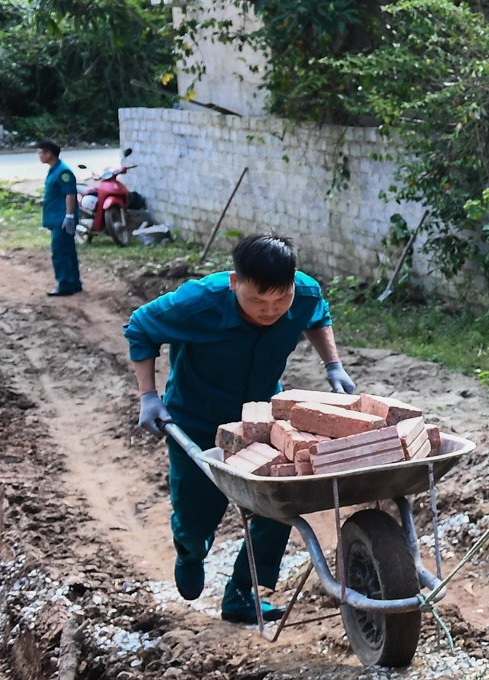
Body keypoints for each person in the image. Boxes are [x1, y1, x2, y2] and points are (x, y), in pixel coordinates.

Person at [124, 234, 358, 624]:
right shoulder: (196, 301)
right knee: (196, 509)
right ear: (234, 283)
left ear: (293, 283)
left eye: (280, 300)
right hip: (197, 416)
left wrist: (333, 365)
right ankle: (190, 551)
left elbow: (318, 316)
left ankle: (241, 594)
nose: (270, 310)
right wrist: (148, 395)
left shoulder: (305, 293)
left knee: (280, 502)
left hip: (261, 415)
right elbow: (140, 328)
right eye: (256, 301)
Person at [37, 140, 81, 297]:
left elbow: (70, 193)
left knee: (60, 252)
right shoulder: (54, 170)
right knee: (68, 251)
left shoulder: (63, 172)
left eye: (41, 152)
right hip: (57, 217)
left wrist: (69, 216)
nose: (39, 156)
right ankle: (74, 283)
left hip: (62, 219)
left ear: (49, 153)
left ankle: (64, 284)